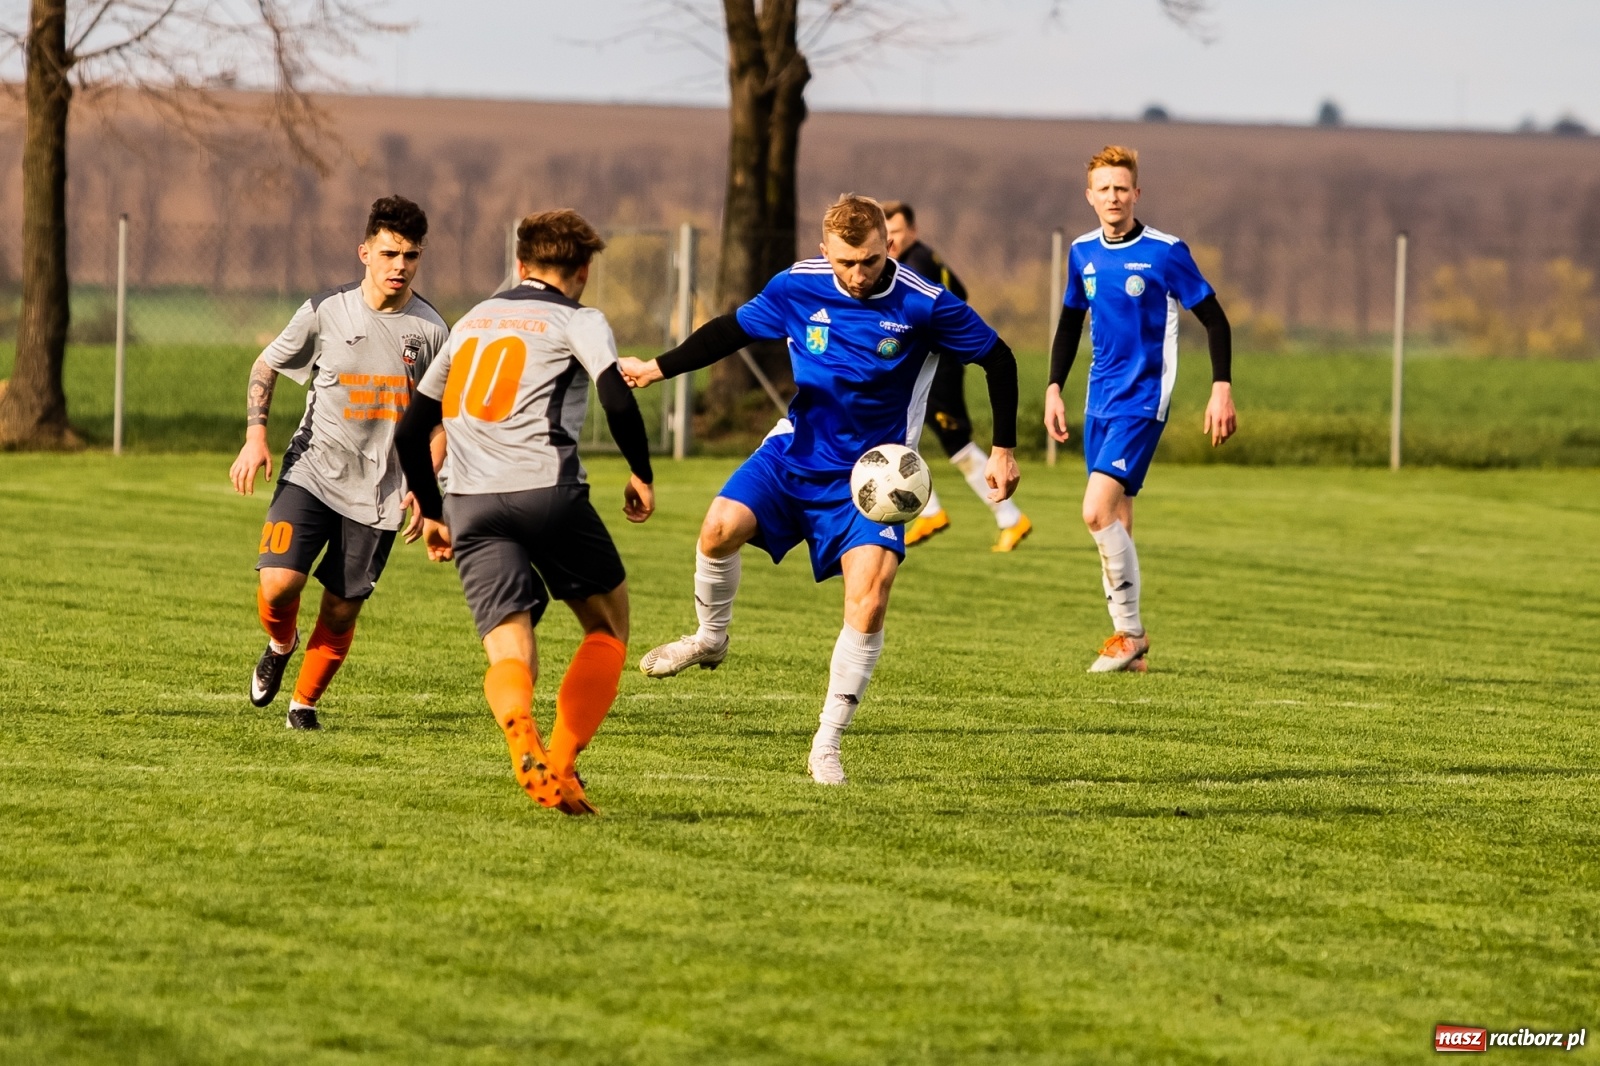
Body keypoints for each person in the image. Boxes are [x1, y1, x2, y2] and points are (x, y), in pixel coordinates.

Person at [618, 194, 1021, 785]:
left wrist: (1004, 449)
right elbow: (730, 330)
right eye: (846, 263)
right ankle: (709, 637)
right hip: (796, 450)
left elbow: (1000, 358)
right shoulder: (796, 285)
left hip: (874, 479)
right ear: (824, 250)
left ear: (888, 245)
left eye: (871, 261)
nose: (859, 275)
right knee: (718, 529)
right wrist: (657, 367)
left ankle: (827, 743)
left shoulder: (924, 302)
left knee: (870, 599)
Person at [394, 209, 656, 816]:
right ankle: (559, 763)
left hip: (470, 503)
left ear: (519, 265)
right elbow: (616, 397)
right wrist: (641, 472)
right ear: (583, 271)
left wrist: (435, 512)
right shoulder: (579, 318)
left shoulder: (472, 320)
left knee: (510, 649)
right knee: (608, 628)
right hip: (548, 491)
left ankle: (519, 731)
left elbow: (411, 432)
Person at [229, 195, 449, 729]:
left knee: (341, 607)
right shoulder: (326, 310)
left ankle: (302, 706)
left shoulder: (433, 332)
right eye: (390, 253)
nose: (400, 265)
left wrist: (424, 487)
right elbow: (267, 363)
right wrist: (256, 436)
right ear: (365, 252)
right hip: (312, 470)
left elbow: (442, 423)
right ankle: (281, 643)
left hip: (380, 490)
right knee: (278, 584)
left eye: (411, 255)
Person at [1043, 145, 1237, 673]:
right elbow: (1069, 323)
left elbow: (1215, 320)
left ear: (1137, 194)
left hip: (1144, 398)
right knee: (1118, 518)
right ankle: (1128, 647)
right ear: (1089, 196)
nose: (1113, 197)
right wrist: (1054, 388)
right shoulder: (1081, 252)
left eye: (1122, 188)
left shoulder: (1166, 252)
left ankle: (1130, 635)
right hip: (1099, 400)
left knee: (1094, 511)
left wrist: (1221, 388)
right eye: (1104, 189)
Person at [884, 201, 1033, 552]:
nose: (891, 241)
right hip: (934, 364)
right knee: (908, 435)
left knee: (955, 444)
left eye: (897, 232)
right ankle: (933, 511)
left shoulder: (913, 266)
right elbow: (961, 292)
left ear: (913, 231)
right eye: (886, 233)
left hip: (939, 367)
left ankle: (1008, 517)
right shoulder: (926, 257)